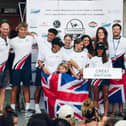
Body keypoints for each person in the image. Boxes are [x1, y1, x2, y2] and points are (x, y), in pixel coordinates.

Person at [9, 22, 35, 116]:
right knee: (15, 88)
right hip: (16, 67)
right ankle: (11, 109)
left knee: (26, 87)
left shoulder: (30, 39)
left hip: (26, 68)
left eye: (25, 30)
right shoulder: (12, 40)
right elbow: (5, 51)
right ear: (18, 30)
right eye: (21, 29)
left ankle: (27, 108)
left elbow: (36, 38)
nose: (23, 31)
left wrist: (29, 33)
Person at [34, 28, 58, 113]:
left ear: (55, 36)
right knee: (39, 87)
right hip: (41, 67)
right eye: (48, 34)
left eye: (51, 35)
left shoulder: (57, 45)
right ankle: (36, 107)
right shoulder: (41, 41)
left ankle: (50, 108)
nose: (49, 36)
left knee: (50, 89)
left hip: (51, 69)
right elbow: (31, 34)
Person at [89, 42, 112, 118]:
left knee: (105, 96)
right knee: (95, 97)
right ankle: (96, 114)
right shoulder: (93, 59)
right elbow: (90, 70)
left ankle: (105, 114)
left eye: (101, 49)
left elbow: (111, 70)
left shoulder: (108, 59)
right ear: (96, 49)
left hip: (105, 79)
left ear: (104, 50)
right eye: (98, 49)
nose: (100, 50)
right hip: (95, 80)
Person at [109, 23, 126, 117]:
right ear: (112, 30)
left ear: (120, 30)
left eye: (117, 29)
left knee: (120, 88)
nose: (115, 31)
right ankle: (113, 111)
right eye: (114, 29)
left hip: (121, 67)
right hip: (111, 67)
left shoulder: (124, 41)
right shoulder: (109, 40)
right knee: (112, 88)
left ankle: (120, 110)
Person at [0, 22, 10, 111]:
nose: (6, 30)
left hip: (5, 68)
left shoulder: (8, 39)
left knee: (3, 90)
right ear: (0, 29)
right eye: (4, 29)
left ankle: (0, 109)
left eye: (7, 29)